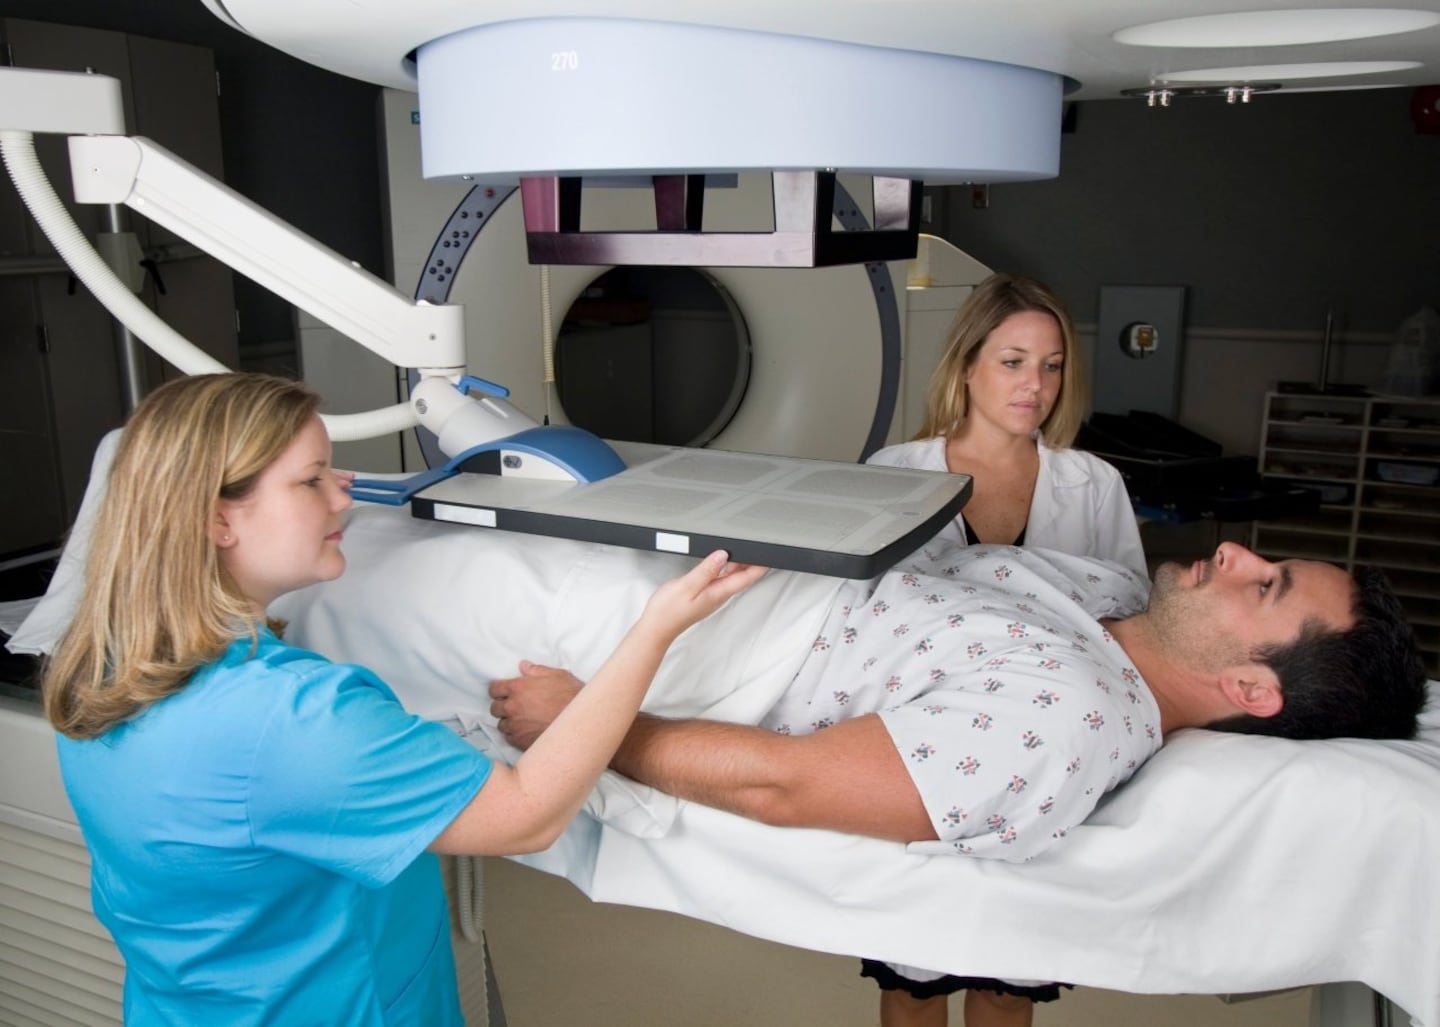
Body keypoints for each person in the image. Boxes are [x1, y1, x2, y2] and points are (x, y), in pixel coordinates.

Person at [41, 372, 766, 1026]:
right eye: (311, 481)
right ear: (218, 519)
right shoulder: (296, 718)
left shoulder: (98, 670)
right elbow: (527, 814)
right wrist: (654, 630)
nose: (343, 494)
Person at [490, 538, 1427, 1016]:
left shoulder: (1068, 723)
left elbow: (781, 784)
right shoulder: (1111, 596)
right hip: (769, 562)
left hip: (703, 642)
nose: (1238, 553)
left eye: (1265, 585)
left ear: (1252, 690)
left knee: (459, 567)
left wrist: (590, 724)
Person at [864, 270, 1143, 1024]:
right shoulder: (894, 473)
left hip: (1045, 757)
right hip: (922, 746)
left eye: (1052, 366)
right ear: (967, 365)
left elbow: (1129, 617)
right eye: (1013, 361)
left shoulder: (1093, 483)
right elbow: (864, 624)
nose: (1036, 385)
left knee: (1005, 982)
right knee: (911, 978)